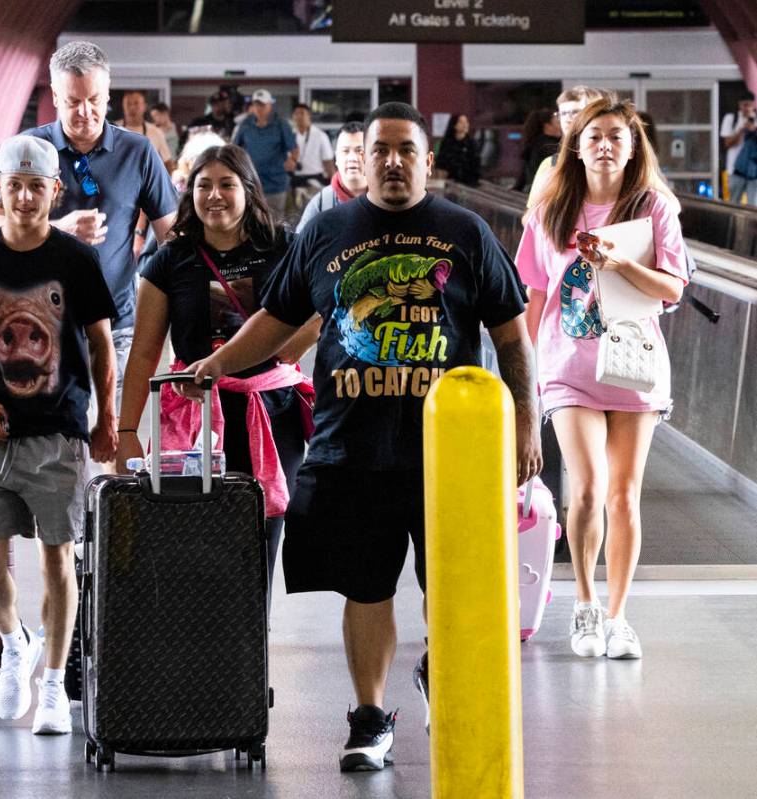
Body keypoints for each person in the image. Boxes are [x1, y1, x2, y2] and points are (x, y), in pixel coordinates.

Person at [187, 102, 540, 772]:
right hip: (353, 447)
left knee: (455, 586)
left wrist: (526, 418)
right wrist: (217, 363)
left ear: (426, 160)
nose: (393, 161)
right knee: (366, 586)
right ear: (363, 158)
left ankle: (449, 675)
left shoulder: (464, 232)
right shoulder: (328, 230)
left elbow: (510, 335)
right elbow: (276, 316)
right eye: (381, 149)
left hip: (448, 456)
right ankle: (370, 716)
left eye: (407, 149)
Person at [0, 135, 118, 734]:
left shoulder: (75, 258)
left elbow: (100, 342)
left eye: (35, 186)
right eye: (13, 184)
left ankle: (56, 685)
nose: (23, 195)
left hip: (58, 431)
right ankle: (16, 643)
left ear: (53, 191)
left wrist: (108, 418)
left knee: (56, 556)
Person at [517, 97, 687, 661]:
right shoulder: (551, 210)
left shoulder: (654, 207)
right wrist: (526, 372)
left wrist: (619, 264)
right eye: (594, 137)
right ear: (576, 146)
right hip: (568, 367)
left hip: (634, 368)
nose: (605, 145)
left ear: (634, 145)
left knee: (624, 494)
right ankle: (586, 605)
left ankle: (618, 616)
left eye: (617, 136)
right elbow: (536, 292)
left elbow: (673, 289)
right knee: (586, 488)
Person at [115, 144, 317, 599]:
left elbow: (326, 306)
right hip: (195, 414)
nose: (215, 195)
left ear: (248, 190)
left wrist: (289, 351)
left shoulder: (282, 246)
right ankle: (203, 649)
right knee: (195, 533)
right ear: (190, 194)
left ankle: (250, 653)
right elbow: (145, 351)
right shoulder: (169, 259)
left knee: (263, 531)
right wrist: (127, 428)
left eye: (227, 184)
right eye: (203, 185)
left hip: (268, 411)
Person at [0, 40, 178, 408]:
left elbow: (173, 240)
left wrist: (178, 311)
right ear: (54, 96)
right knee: (57, 443)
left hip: (117, 323)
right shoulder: (28, 148)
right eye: (73, 102)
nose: (86, 112)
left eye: (95, 99)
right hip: (40, 326)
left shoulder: (138, 151)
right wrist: (56, 229)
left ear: (107, 92)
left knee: (115, 435)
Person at [526, 86, 606, 209]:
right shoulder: (551, 164)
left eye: (575, 112)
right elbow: (531, 217)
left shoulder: (613, 160)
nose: (568, 119)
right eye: (562, 114)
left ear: (596, 115)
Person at [232, 89, 299, 222]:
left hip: (276, 182)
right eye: (256, 104)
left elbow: (294, 148)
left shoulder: (281, 124)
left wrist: (292, 160)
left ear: (270, 105)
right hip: (251, 181)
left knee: (275, 221)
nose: (259, 108)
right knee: (252, 220)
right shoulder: (245, 124)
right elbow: (234, 148)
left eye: (262, 104)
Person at [296, 121, 367, 231]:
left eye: (360, 151)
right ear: (336, 158)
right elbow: (299, 244)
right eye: (345, 151)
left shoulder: (386, 199)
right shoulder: (321, 203)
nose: (352, 158)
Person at [290, 103, 335, 215]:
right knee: (295, 215)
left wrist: (334, 183)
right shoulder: (290, 135)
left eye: (302, 113)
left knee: (315, 213)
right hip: (295, 180)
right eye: (296, 114)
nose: (299, 117)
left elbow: (328, 162)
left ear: (309, 115)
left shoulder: (320, 135)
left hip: (314, 182)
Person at [115, 90, 174, 171]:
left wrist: (165, 182)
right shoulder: (113, 130)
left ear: (144, 107)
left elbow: (168, 163)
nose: (132, 107)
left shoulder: (155, 132)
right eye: (128, 104)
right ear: (123, 107)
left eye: (136, 103)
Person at [514, 108, 561, 192]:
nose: (561, 125)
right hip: (545, 193)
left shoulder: (536, 143)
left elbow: (523, 174)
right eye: (558, 122)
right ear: (548, 126)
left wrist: (516, 188)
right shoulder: (549, 147)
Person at [721, 95, 756, 203]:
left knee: (753, 205)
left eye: (749, 105)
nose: (746, 108)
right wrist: (741, 130)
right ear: (739, 105)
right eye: (744, 105)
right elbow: (727, 143)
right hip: (735, 170)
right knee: (733, 203)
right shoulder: (731, 118)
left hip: (754, 170)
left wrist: (754, 130)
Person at [434, 113, 480, 186]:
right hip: (451, 183)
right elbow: (441, 164)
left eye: (466, 122)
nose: (465, 125)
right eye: (461, 122)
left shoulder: (472, 143)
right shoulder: (447, 143)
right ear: (454, 125)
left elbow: (476, 166)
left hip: (469, 184)